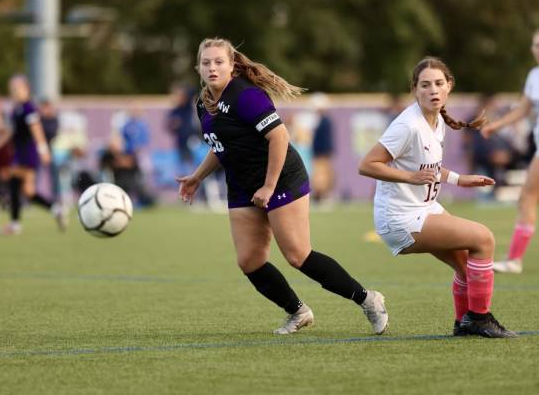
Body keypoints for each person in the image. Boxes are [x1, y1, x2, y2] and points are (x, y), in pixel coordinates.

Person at [177, 37, 388, 335]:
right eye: (207, 62)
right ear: (198, 67)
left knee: (297, 255)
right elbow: (221, 146)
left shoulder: (247, 96)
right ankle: (297, 311)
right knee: (249, 260)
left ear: (232, 65)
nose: (212, 67)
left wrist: (268, 186)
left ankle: (368, 299)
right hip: (242, 185)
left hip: (280, 177)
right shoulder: (203, 103)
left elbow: (279, 137)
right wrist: (197, 176)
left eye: (219, 62)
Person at [359, 57, 517, 338]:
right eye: (425, 85)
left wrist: (458, 179)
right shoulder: (408, 125)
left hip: (424, 208)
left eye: (438, 83)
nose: (433, 89)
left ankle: (464, 322)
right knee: (484, 238)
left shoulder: (437, 120)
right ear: (415, 90)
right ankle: (479, 318)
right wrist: (410, 179)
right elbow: (367, 165)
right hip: (401, 218)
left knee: (467, 263)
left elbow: (426, 166)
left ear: (449, 87)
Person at [481, 29, 539, 274]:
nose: (537, 49)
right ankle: (514, 259)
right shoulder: (534, 75)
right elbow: (524, 108)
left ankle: (514, 259)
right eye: (535, 44)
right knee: (527, 196)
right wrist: (497, 124)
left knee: (527, 196)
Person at [0, 75, 66, 234]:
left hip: (28, 153)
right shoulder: (16, 109)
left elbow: (36, 129)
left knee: (13, 179)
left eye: (16, 88)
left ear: (25, 89)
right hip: (20, 153)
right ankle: (56, 209)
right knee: (28, 192)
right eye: (11, 89)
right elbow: (11, 133)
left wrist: (43, 150)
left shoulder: (29, 108)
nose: (13, 92)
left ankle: (15, 225)